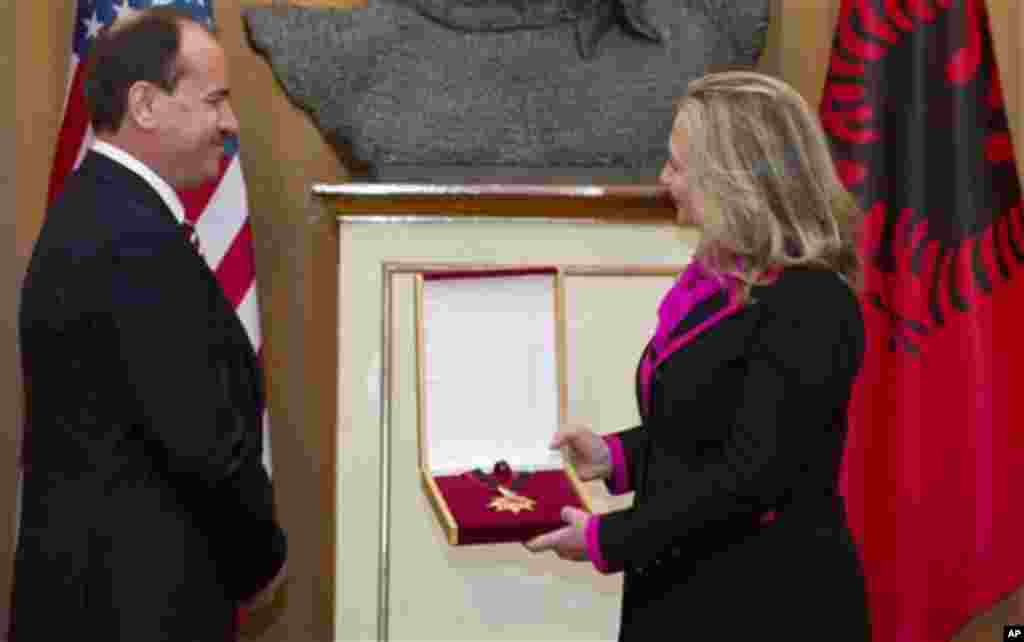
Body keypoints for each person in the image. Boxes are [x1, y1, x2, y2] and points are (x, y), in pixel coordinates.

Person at [525, 71, 871, 639]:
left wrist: (607, 539)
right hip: (683, 588)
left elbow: (753, 475)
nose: (665, 180)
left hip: (766, 603)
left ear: (734, 178)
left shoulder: (811, 302)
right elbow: (705, 419)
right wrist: (615, 455)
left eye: (679, 166)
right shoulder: (719, 281)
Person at [11, 8, 287, 641]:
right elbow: (205, 443)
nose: (230, 122)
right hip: (133, 609)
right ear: (145, 105)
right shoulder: (132, 241)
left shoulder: (102, 212)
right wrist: (262, 555)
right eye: (215, 99)